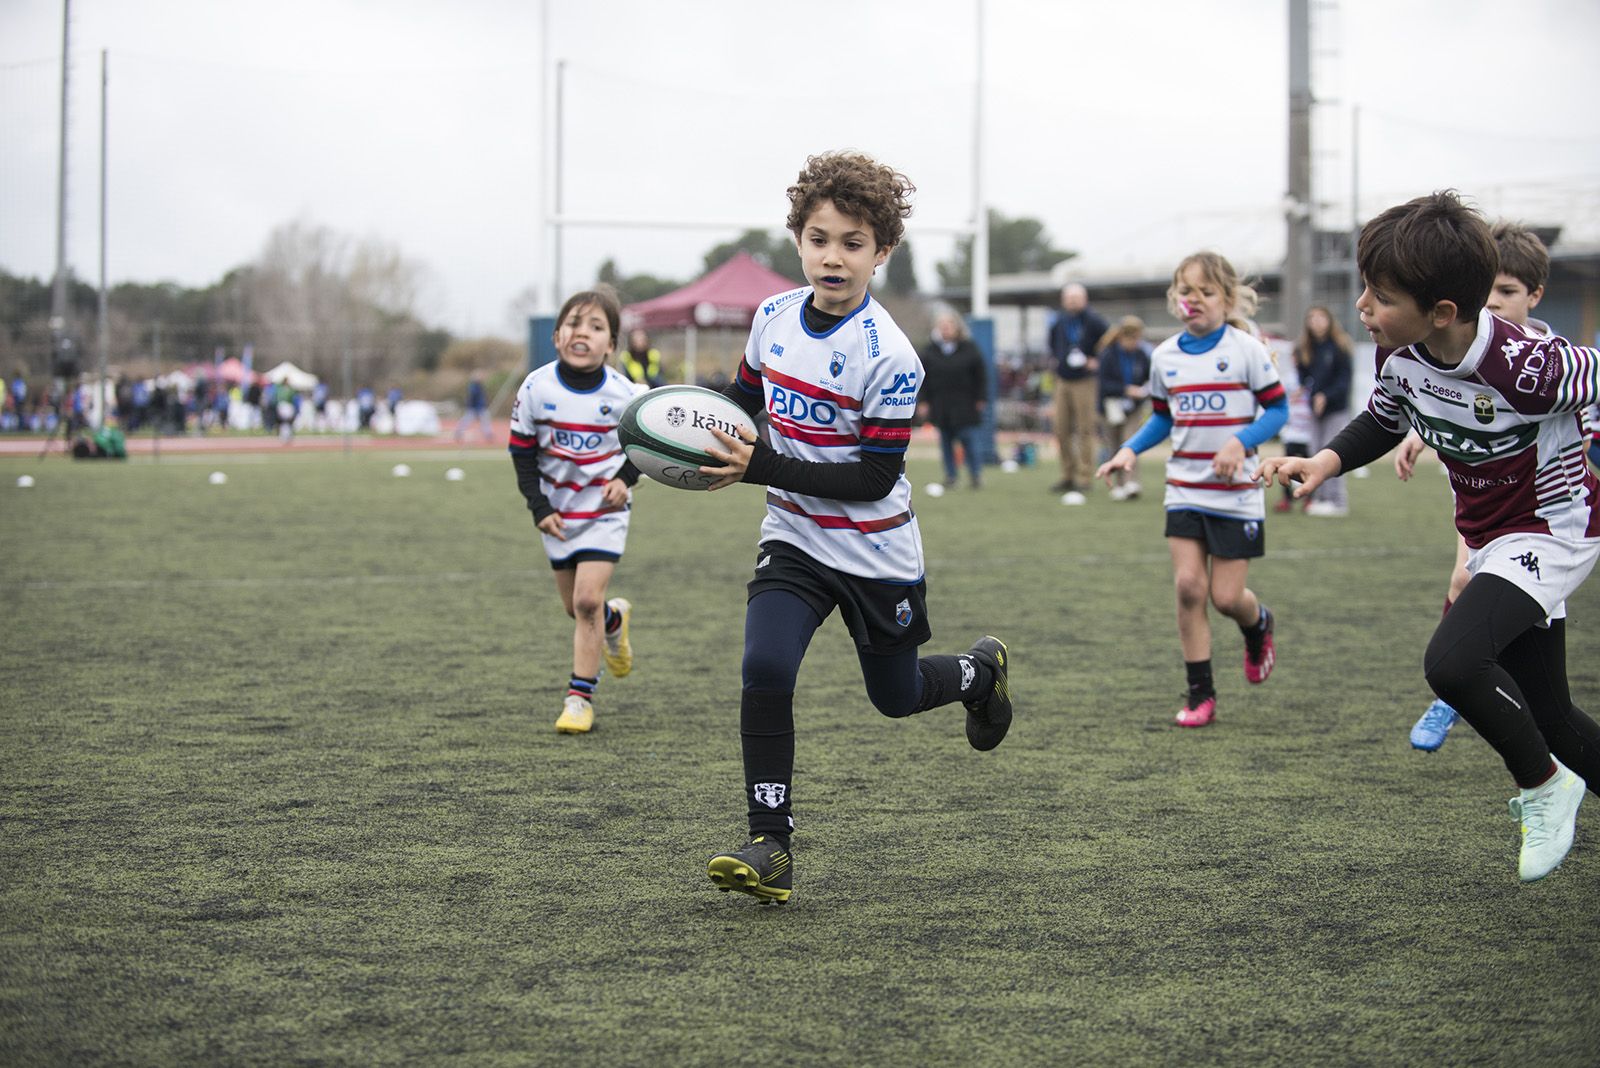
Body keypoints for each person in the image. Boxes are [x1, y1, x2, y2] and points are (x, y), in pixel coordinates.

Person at [695, 151, 1015, 905]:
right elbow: (740, 402)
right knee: (766, 669)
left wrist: (759, 467)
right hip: (795, 539)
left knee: (896, 698)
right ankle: (771, 845)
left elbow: (873, 479)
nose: (832, 256)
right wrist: (654, 443)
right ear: (797, 240)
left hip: (875, 549)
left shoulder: (891, 356)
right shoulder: (771, 317)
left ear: (882, 253)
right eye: (818, 237)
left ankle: (979, 674)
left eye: (852, 242)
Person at [1258, 191, 1600, 882]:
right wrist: (1323, 462)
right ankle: (1558, 763)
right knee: (1553, 714)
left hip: (1551, 529)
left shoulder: (1529, 369)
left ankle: (1545, 785)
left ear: (1443, 311)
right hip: (1488, 534)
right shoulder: (1401, 356)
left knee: (1452, 662)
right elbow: (1384, 419)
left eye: (1380, 297)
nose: (1363, 309)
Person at [1095, 251, 1287, 728]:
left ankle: (1257, 622)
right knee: (1187, 588)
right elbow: (1163, 416)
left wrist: (1238, 443)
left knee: (1226, 598)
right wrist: (1130, 450)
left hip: (1237, 491)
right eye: (1186, 291)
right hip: (1184, 487)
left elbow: (1278, 411)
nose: (1194, 300)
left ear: (1225, 298)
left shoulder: (1247, 350)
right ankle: (1201, 693)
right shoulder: (1165, 356)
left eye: (1205, 292)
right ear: (1174, 299)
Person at [1394, 221, 1556, 753]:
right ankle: (1457, 692)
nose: (1495, 304)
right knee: (1464, 577)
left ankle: (1482, 697)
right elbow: (1441, 398)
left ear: (1535, 294)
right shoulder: (1463, 348)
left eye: (1508, 292)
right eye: (1487, 294)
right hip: (1477, 491)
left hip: (1537, 511)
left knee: (1495, 603)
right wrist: (1419, 436)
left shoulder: (1543, 358)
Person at [508, 285, 642, 735]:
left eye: (596, 326)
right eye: (573, 323)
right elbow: (522, 454)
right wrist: (538, 506)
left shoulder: (625, 394)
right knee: (577, 608)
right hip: (558, 514)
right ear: (557, 335)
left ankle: (579, 699)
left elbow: (644, 447)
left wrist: (625, 480)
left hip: (603, 511)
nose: (582, 332)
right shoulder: (535, 387)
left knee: (587, 599)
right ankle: (614, 621)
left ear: (611, 344)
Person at [1047, 282, 1109, 503]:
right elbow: (1053, 346)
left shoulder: (1094, 321)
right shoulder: (1060, 322)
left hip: (1085, 380)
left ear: (1084, 299)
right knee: (1061, 428)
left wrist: (1097, 361)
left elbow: (1110, 344)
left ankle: (1085, 476)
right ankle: (1067, 474)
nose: (1072, 301)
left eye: (1076, 297)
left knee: (1085, 428)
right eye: (1069, 297)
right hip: (1063, 379)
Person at [916, 310, 989, 489]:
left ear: (957, 328)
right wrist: (923, 401)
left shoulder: (969, 348)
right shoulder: (930, 351)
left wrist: (981, 398)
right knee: (946, 442)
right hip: (941, 404)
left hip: (965, 403)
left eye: (949, 326)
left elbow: (981, 375)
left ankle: (975, 475)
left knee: (969, 440)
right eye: (942, 327)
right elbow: (922, 377)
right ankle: (951, 476)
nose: (945, 330)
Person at [1294, 306, 1355, 516]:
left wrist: (1326, 396)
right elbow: (1304, 376)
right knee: (1315, 453)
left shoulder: (1339, 346)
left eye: (1320, 317)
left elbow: (1344, 381)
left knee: (1333, 454)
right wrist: (1303, 389)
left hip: (1336, 410)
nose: (1316, 321)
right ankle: (1319, 498)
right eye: (1312, 318)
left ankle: (1337, 502)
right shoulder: (1306, 348)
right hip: (1315, 411)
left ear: (1329, 320)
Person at [1095, 315, 1153, 501]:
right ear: (1123, 337)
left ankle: (1131, 482)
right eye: (1133, 338)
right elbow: (1103, 385)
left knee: (1131, 443)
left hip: (1134, 408)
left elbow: (1149, 376)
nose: (1136, 342)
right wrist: (1126, 390)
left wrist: (1144, 389)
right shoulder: (1108, 354)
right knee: (1113, 445)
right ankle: (1117, 485)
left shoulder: (1141, 355)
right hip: (1111, 407)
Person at [455, 370, 495, 443]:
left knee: (485, 420)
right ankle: (458, 432)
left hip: (481, 407)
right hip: (474, 408)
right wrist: (471, 406)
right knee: (466, 421)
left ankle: (488, 434)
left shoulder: (480, 386)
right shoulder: (473, 386)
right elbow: (472, 397)